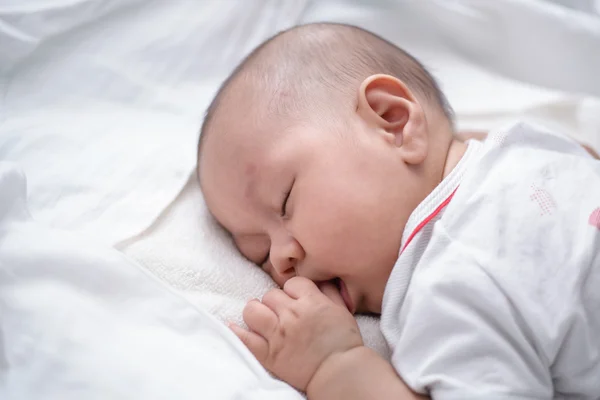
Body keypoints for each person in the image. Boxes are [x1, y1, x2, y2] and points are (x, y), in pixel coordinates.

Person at [198, 22, 600, 399]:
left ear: (394, 122)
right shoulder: (526, 144)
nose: (282, 261)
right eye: (259, 256)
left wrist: (334, 367)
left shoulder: (451, 284)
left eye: (284, 201)